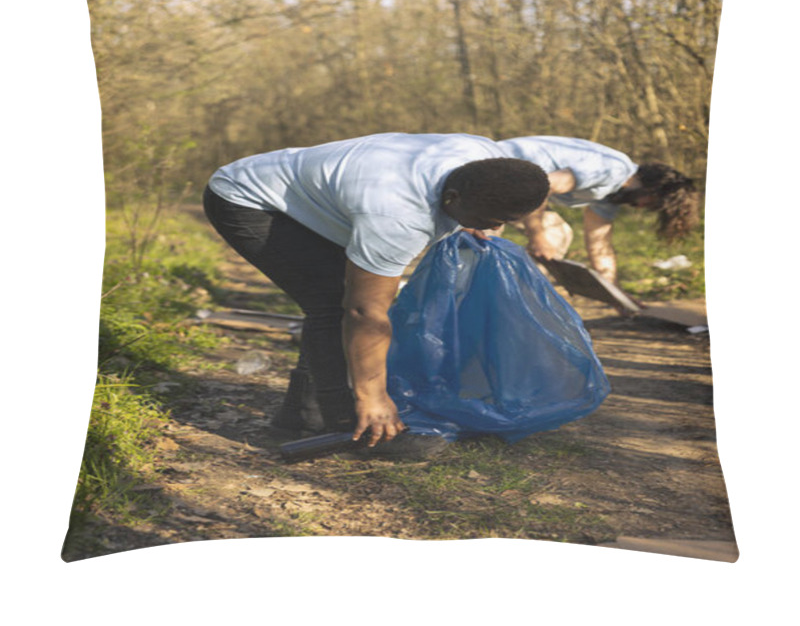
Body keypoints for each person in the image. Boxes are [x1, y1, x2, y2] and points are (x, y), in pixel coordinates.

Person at [203, 132, 550, 456]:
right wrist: (374, 396)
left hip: (320, 196)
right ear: (452, 198)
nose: (493, 227)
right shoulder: (398, 216)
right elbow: (363, 312)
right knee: (333, 303)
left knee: (336, 295)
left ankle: (300, 417)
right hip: (249, 199)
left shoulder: (485, 158)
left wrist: (475, 217)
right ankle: (353, 426)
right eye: (489, 218)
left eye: (505, 220)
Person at [497, 136, 699, 285]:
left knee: (556, 234)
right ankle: (484, 296)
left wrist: (616, 296)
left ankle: (509, 293)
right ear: (653, 187)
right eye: (653, 203)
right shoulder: (613, 170)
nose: (644, 208)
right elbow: (541, 186)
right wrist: (537, 238)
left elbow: (599, 245)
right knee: (483, 239)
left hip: (517, 187)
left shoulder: (611, 193)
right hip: (493, 172)